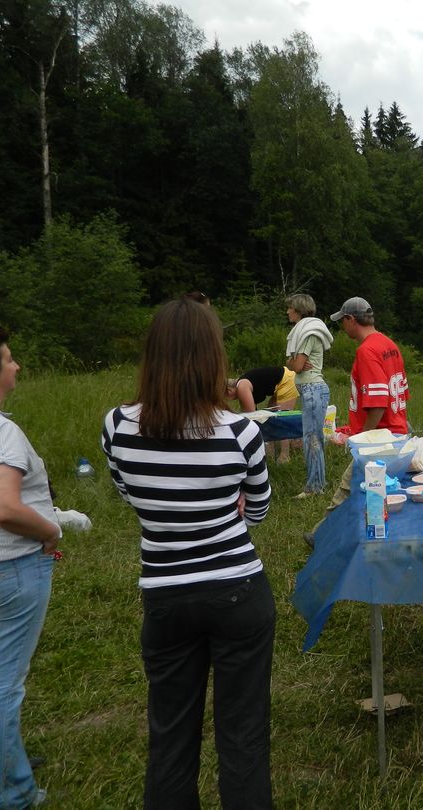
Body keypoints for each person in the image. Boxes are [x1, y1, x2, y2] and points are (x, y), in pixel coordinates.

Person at [101, 298, 274, 807]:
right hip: (238, 588)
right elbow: (259, 509)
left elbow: (129, 495)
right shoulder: (241, 430)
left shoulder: (117, 426)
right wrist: (226, 509)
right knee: (243, 734)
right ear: (213, 357)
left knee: (170, 734)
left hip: (165, 593)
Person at [0, 326, 61, 809]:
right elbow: (5, 507)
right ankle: (13, 790)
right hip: (15, 566)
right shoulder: (3, 433)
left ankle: (10, 752)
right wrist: (49, 532)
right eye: (8, 359)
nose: (16, 366)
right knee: (5, 683)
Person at [305, 297, 410, 546]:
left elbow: (378, 402)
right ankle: (325, 533)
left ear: (351, 319)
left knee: (348, 489)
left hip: (379, 439)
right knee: (377, 490)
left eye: (343, 321)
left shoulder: (367, 350)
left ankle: (320, 536)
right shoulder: (389, 344)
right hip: (397, 432)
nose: (343, 327)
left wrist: (363, 439)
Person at [285, 294, 333, 498]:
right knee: (312, 438)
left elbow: (295, 365)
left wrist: (293, 362)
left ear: (298, 310)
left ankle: (314, 487)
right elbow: (292, 363)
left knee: (311, 438)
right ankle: (318, 483)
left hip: (313, 389)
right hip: (311, 390)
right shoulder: (305, 331)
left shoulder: (308, 334)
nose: (288, 311)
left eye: (290, 308)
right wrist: (292, 362)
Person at [227, 366, 301, 462]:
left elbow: (252, 416)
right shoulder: (242, 386)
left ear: (229, 391)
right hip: (278, 383)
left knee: (282, 420)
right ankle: (270, 453)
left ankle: (285, 456)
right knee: (270, 418)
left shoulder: (241, 387)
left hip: (287, 381)